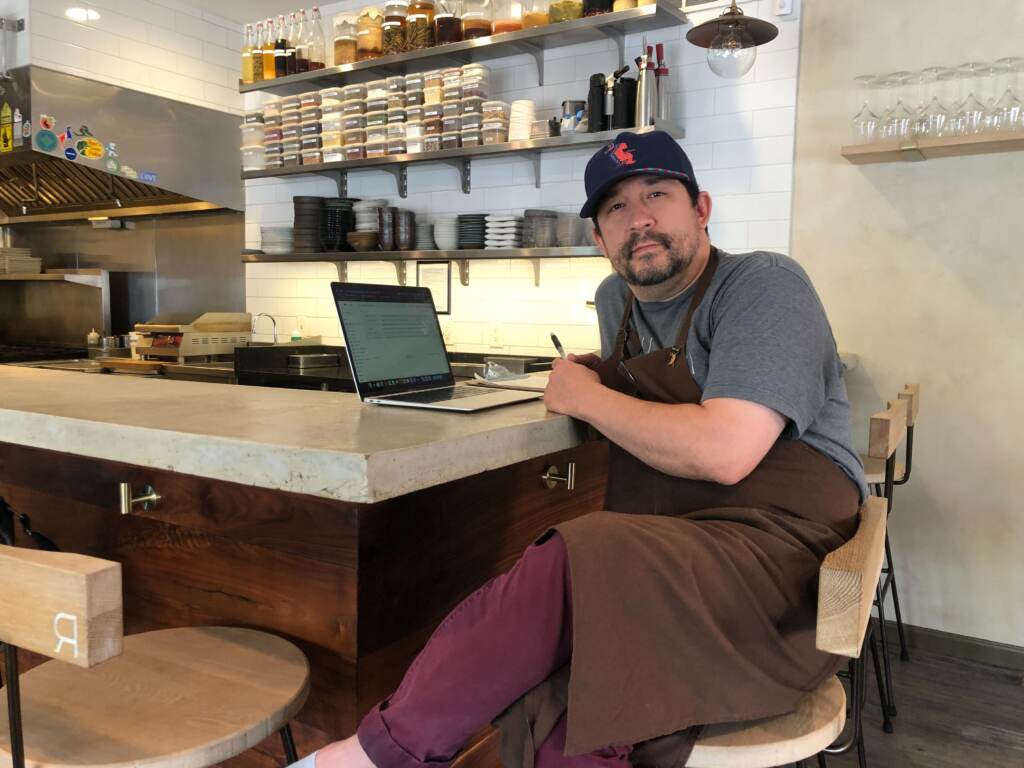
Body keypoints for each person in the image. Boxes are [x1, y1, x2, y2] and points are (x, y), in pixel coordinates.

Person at [292, 131, 867, 768]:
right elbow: (647, 412)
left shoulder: (763, 284)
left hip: (782, 565)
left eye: (657, 194)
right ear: (599, 237)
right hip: (681, 548)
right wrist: (599, 378)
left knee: (576, 555)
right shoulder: (616, 298)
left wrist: (583, 395)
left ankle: (369, 757)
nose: (639, 218)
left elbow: (725, 451)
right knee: (562, 712)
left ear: (701, 208)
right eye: (615, 208)